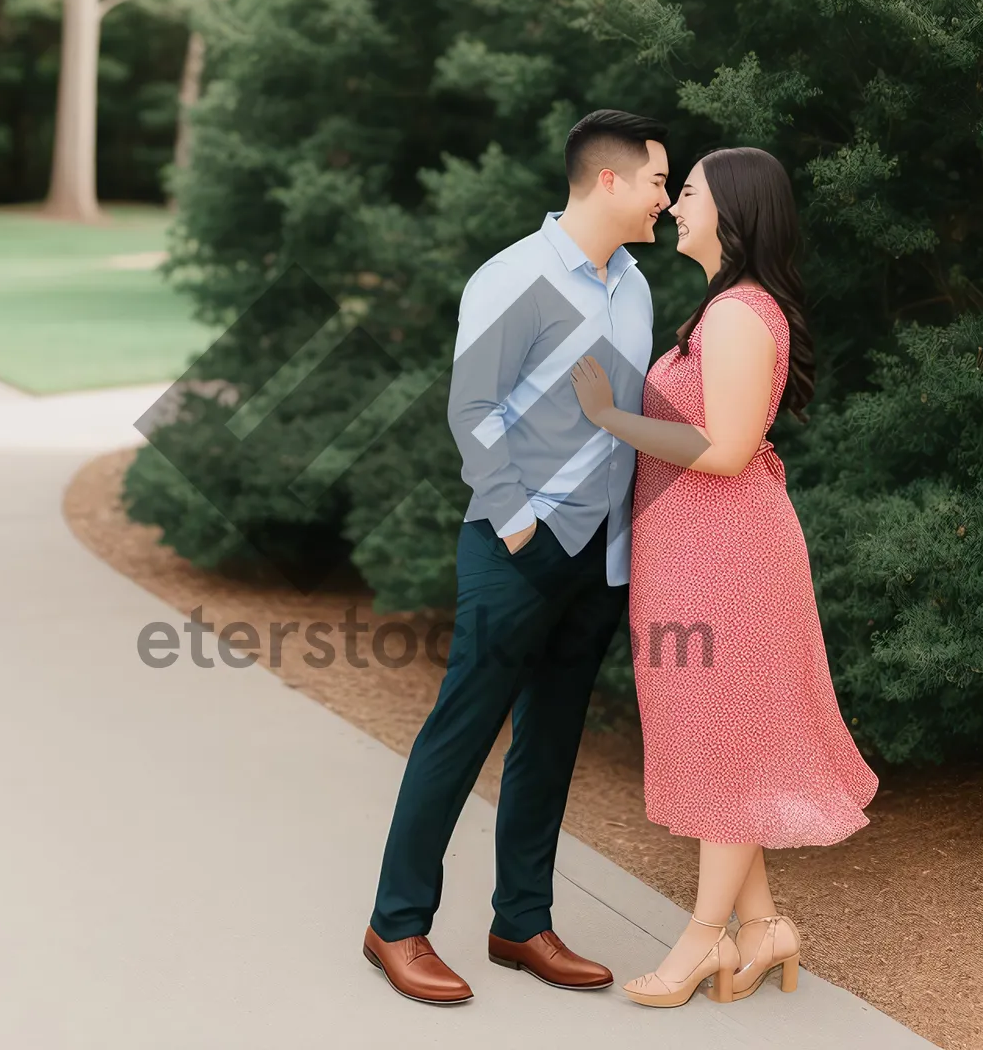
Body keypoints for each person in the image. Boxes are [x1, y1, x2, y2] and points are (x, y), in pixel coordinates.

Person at [362, 109, 671, 1004]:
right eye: (658, 180)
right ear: (608, 181)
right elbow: (472, 410)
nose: (665, 196)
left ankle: (520, 923)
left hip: (600, 556)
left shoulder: (637, 286)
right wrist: (516, 521)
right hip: (516, 548)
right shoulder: (516, 275)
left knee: (550, 744)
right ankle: (396, 926)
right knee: (459, 738)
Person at [568, 145, 879, 1008]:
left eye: (689, 193)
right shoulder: (720, 310)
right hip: (693, 556)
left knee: (727, 744)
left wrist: (608, 418)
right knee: (716, 739)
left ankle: (702, 941)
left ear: (733, 212)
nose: (674, 207)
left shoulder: (742, 313)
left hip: (729, 561)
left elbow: (727, 450)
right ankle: (764, 926)